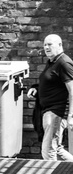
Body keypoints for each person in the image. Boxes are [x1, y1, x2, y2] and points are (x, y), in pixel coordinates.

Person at [29, 34, 73, 162]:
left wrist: (71, 115)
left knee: (48, 150)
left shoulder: (64, 63)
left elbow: (72, 90)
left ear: (60, 45)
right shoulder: (53, 62)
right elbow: (53, 83)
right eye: (45, 44)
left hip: (56, 112)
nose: (46, 47)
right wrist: (36, 89)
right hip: (49, 110)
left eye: (50, 44)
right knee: (57, 149)